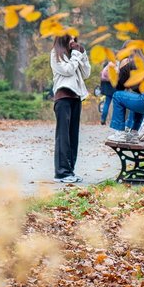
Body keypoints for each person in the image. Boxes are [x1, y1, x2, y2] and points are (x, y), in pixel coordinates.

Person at [50, 32, 91, 183]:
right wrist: (75, 55)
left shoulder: (75, 54)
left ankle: (70, 171)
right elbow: (68, 70)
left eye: (75, 38)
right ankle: (61, 173)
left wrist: (83, 55)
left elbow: (86, 74)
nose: (73, 41)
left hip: (76, 97)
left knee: (73, 136)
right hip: (63, 98)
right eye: (70, 38)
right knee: (63, 137)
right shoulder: (56, 54)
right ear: (63, 39)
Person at [99, 61, 116, 126]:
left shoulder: (106, 64)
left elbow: (102, 78)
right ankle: (114, 121)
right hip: (115, 87)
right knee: (116, 104)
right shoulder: (116, 64)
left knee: (106, 103)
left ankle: (103, 119)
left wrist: (102, 88)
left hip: (107, 89)